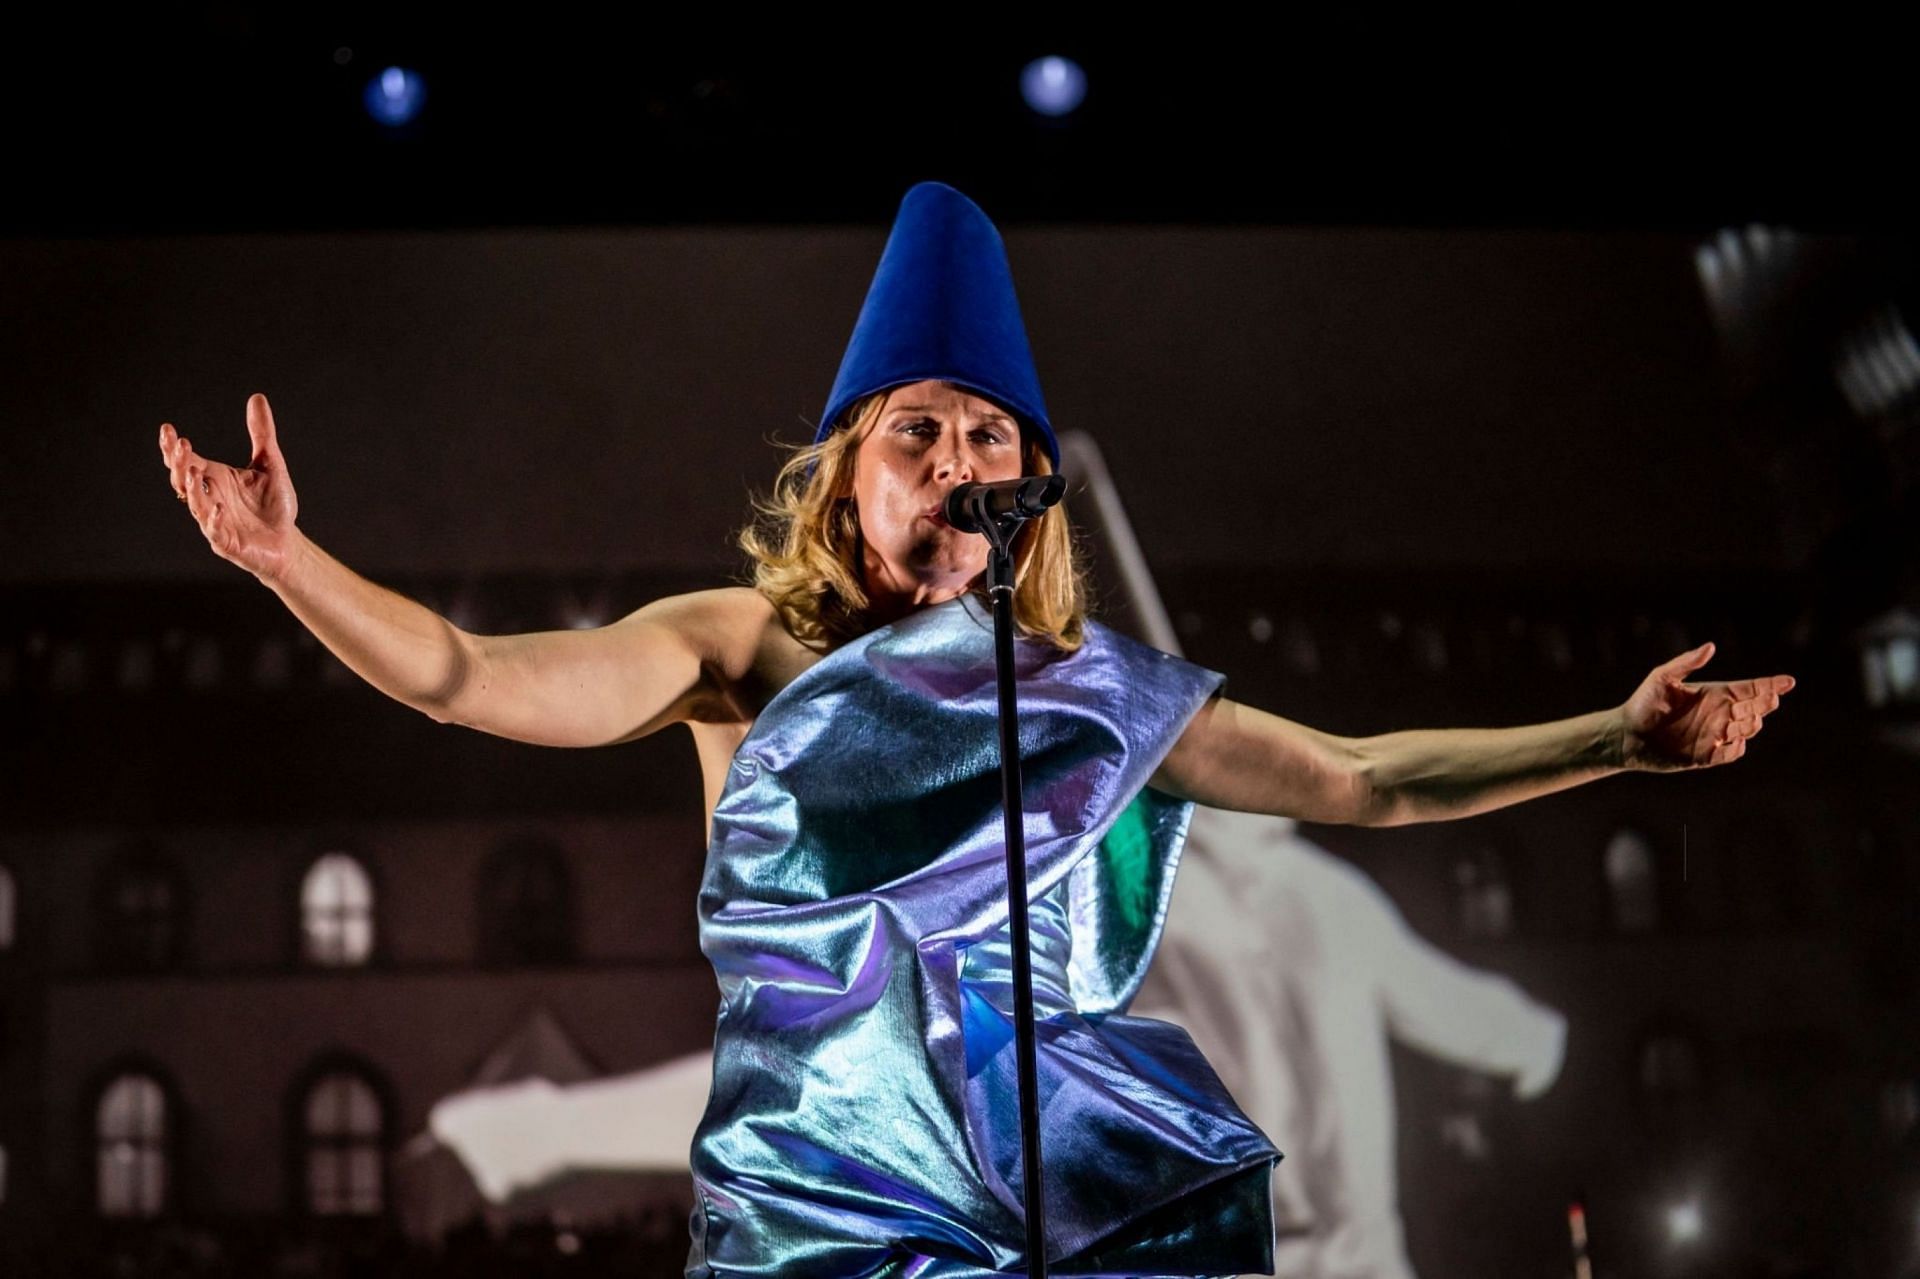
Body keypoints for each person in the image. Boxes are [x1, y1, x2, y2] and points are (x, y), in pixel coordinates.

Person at [157, 182, 1794, 1278]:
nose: (952, 455)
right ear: (847, 475)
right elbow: (471, 676)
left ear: (1024, 492)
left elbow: (1360, 778)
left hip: (1049, 1214)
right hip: (825, 1219)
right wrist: (291, 560)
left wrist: (1615, 741)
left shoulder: (1090, 695)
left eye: (985, 434)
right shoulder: (745, 649)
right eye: (914, 431)